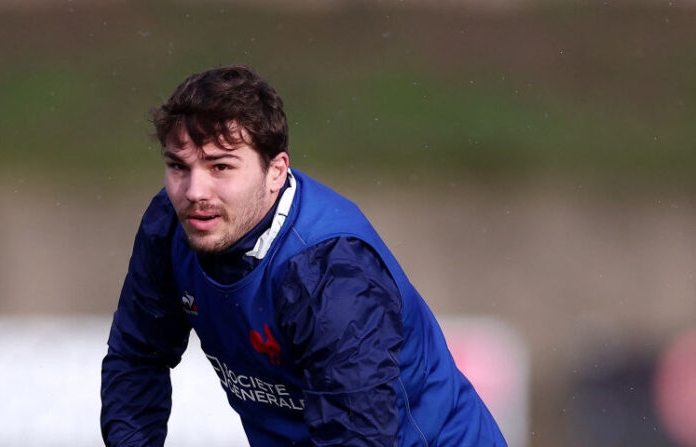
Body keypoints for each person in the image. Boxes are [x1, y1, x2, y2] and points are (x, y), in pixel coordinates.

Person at [101, 64, 506, 446]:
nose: (194, 192)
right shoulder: (170, 224)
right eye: (178, 166)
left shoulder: (331, 271)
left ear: (276, 171)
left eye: (220, 167)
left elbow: (355, 437)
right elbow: (137, 358)